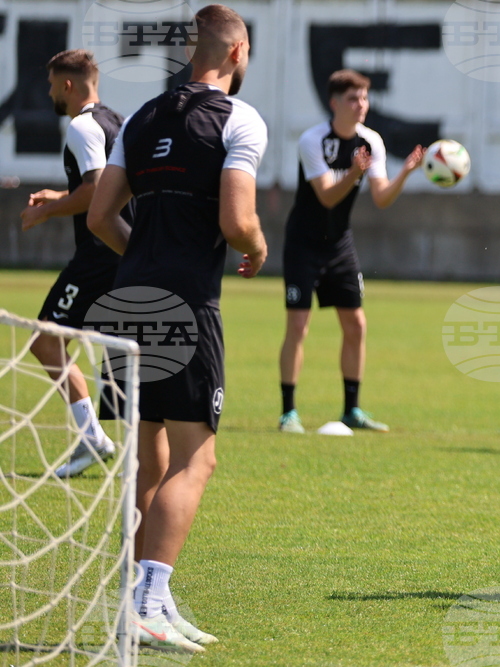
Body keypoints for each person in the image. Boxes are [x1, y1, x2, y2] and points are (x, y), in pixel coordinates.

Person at [88, 4, 268, 650]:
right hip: (189, 304)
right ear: (238, 53)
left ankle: (142, 602)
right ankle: (147, 597)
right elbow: (235, 218)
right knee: (198, 456)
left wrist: (144, 259)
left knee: (151, 451)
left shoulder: (139, 117)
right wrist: (258, 246)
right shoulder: (239, 119)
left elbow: (101, 217)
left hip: (126, 301)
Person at [277, 69, 425, 434]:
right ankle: (288, 413)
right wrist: (354, 174)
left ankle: (352, 410)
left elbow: (381, 198)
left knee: (356, 324)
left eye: (364, 98)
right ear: (334, 103)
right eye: (353, 99)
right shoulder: (313, 140)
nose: (362, 105)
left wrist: (404, 173)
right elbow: (327, 195)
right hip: (303, 243)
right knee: (299, 325)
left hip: (339, 244)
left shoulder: (370, 141)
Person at [19, 50, 132, 478]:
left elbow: (96, 189)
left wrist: (45, 212)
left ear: (68, 85)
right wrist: (58, 196)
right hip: (127, 249)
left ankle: (93, 440)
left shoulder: (82, 126)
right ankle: (127, 452)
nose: (50, 92)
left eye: (52, 84)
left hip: (99, 255)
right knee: (119, 354)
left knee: (46, 342)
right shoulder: (118, 122)